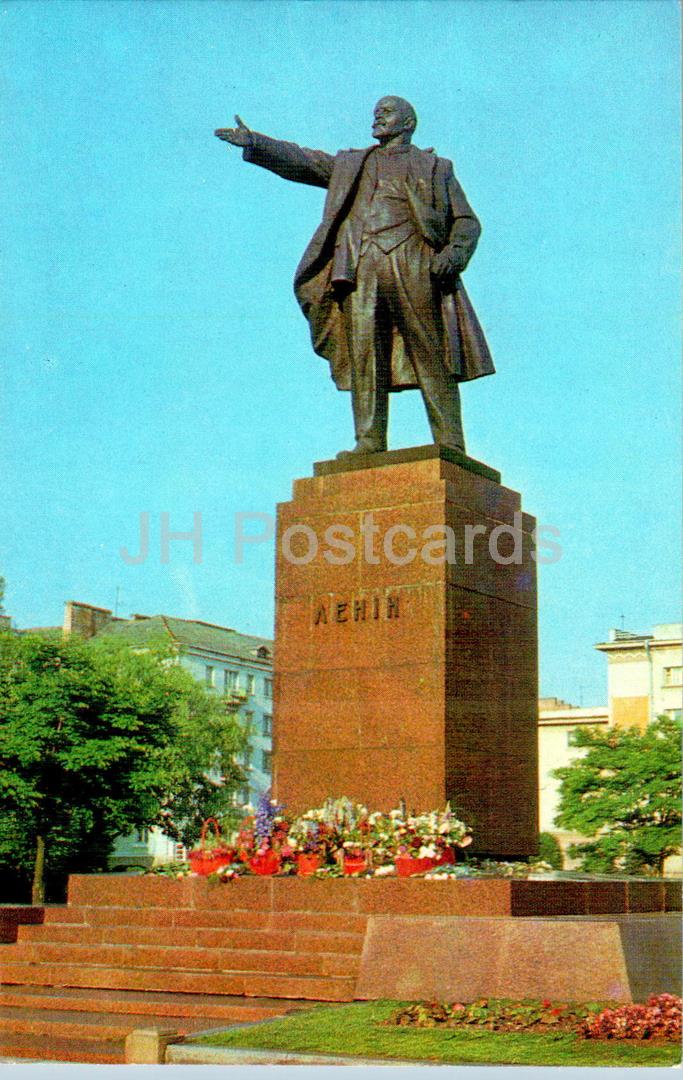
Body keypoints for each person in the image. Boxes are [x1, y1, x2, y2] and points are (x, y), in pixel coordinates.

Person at [215, 96, 494, 458]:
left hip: (413, 260)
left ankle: (449, 441)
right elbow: (304, 161)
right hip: (360, 266)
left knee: (429, 349)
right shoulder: (351, 164)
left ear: (408, 123)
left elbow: (466, 221)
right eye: (376, 112)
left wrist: (453, 255)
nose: (378, 116)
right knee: (364, 352)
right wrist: (256, 142)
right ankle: (369, 440)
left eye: (387, 112)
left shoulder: (436, 167)